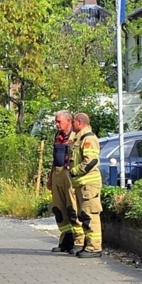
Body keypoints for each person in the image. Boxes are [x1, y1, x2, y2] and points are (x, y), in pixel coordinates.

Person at [69, 112, 102, 258]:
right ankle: (88, 245)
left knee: (90, 215)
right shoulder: (79, 138)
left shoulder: (88, 139)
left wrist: (74, 171)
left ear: (79, 123)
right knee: (84, 216)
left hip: (89, 184)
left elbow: (91, 161)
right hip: (82, 184)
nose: (72, 125)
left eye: (73, 122)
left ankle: (94, 248)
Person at [49, 110, 81, 253]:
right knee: (59, 208)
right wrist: (50, 178)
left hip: (69, 173)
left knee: (72, 208)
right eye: (56, 121)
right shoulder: (58, 136)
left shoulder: (76, 136)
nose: (56, 124)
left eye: (59, 121)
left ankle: (79, 241)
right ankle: (66, 241)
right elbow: (54, 158)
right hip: (57, 172)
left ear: (68, 121)